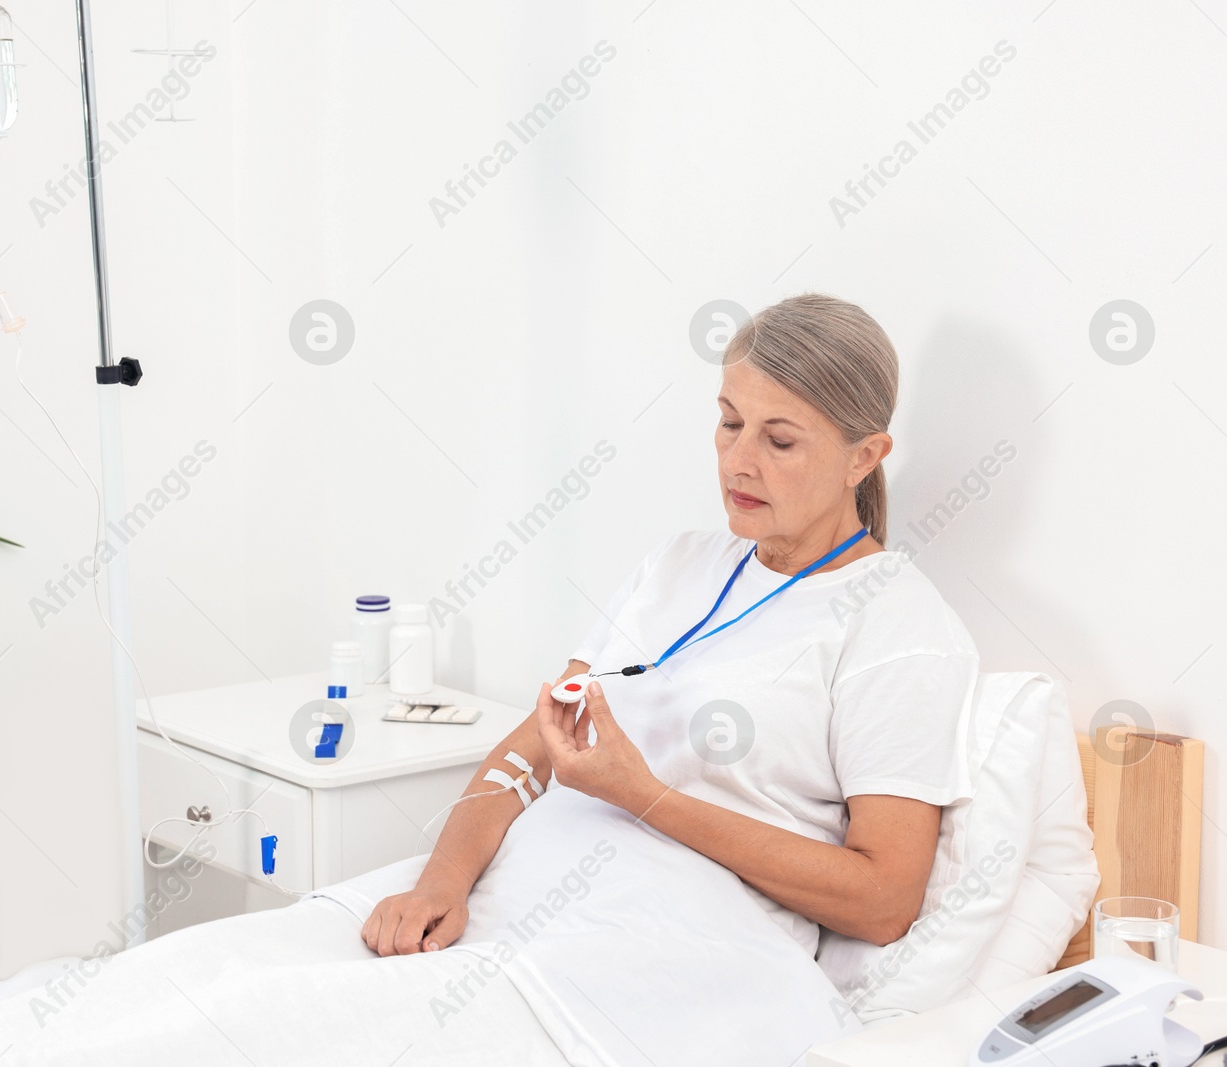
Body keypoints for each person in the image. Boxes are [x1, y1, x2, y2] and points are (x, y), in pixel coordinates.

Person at [361, 293, 978, 970]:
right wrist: (439, 883)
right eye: (729, 422)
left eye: (779, 440)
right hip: (511, 903)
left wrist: (643, 793)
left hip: (670, 949)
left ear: (865, 456)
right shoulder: (678, 564)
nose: (738, 461)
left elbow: (884, 901)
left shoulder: (896, 620)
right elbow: (533, 747)